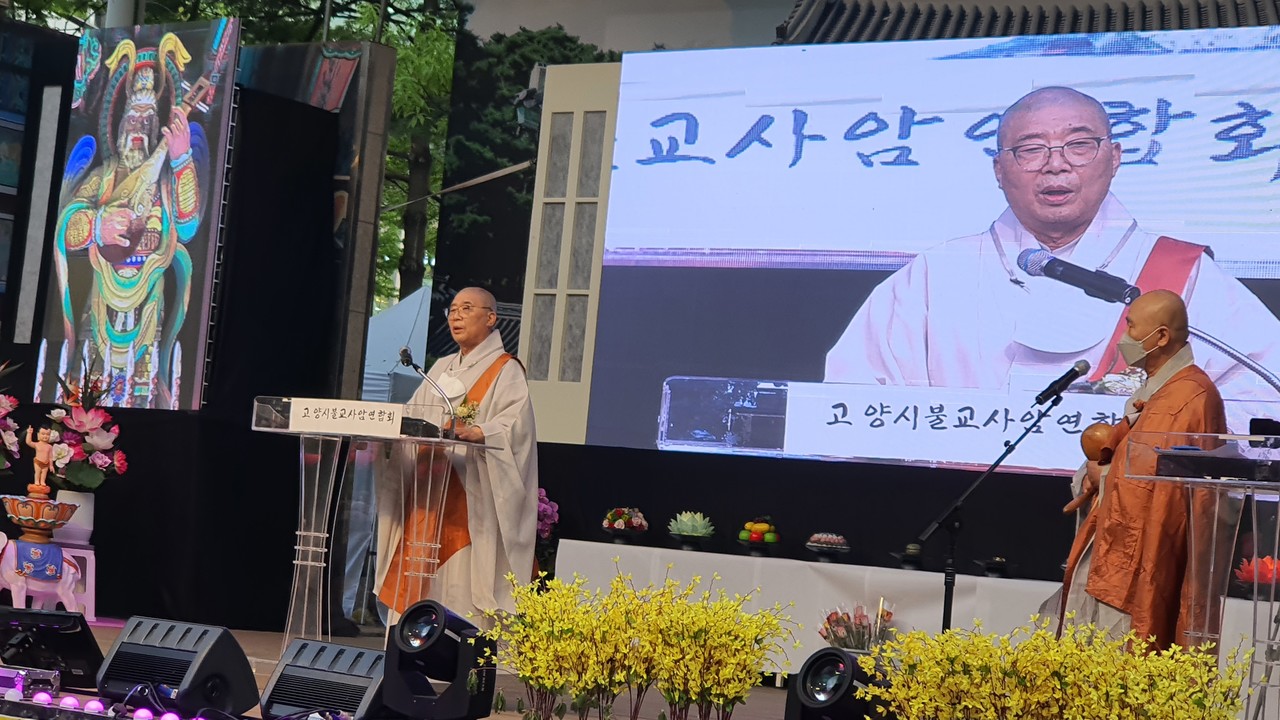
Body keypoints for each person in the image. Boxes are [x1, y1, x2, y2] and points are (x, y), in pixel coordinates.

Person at [824, 86, 1280, 427]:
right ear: (999, 170)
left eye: (1079, 145)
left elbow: (1260, 399)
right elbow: (853, 398)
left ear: (1115, 157)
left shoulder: (1182, 274)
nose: (1056, 164)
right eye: (1031, 150)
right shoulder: (935, 275)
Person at [1048, 289, 1225, 650]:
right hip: (1113, 543)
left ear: (1160, 336)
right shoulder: (1159, 389)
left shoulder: (1190, 395)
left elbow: (1168, 489)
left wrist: (1104, 476)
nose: (1123, 338)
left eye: (1131, 327)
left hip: (1140, 558)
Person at [374, 287, 538, 625]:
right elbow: (414, 414)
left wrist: (484, 431)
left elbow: (515, 426)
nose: (456, 315)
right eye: (452, 309)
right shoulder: (442, 367)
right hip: (429, 491)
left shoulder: (506, 370)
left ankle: (463, 654)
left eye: (467, 308)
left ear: (491, 318)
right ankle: (412, 649)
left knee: (464, 580)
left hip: (468, 493)